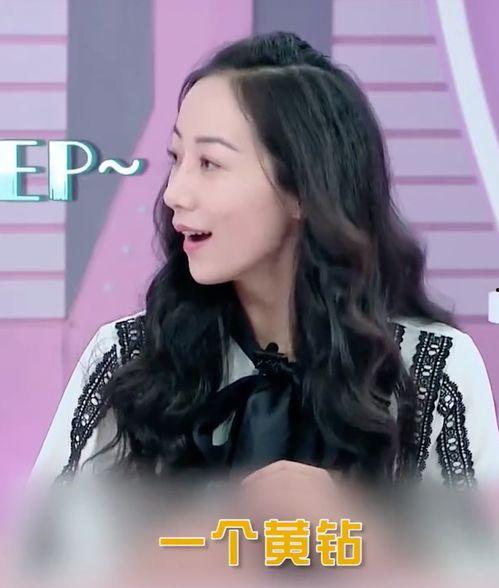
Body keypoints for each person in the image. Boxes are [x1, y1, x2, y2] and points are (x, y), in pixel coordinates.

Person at [29, 31, 499, 494]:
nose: (174, 193)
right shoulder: (127, 360)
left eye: (210, 163)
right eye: (176, 157)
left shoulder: (429, 372)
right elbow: (44, 540)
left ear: (303, 190)